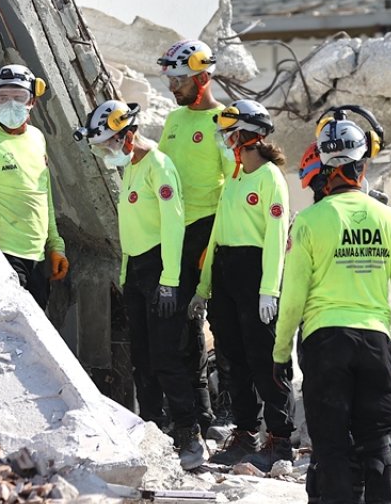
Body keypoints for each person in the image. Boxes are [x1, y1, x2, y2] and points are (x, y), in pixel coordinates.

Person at [273, 115, 391, 504]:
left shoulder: (307, 221)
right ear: (364, 164)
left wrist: (279, 355)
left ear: (323, 166)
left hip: (325, 344)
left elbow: (292, 298)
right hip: (374, 342)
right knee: (376, 445)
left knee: (332, 448)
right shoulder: (390, 219)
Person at [74, 100, 207, 469]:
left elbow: (173, 225)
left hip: (161, 269)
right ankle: (153, 429)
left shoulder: (158, 166)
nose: (105, 154)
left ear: (128, 135)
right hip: (135, 270)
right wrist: (124, 274)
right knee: (142, 359)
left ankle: (188, 432)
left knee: (166, 356)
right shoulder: (131, 168)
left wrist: (169, 281)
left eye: (107, 146)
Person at [187, 99, 294, 469]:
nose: (225, 139)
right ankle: (246, 433)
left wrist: (270, 289)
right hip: (226, 270)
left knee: (266, 359)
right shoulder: (234, 176)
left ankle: (279, 440)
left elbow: (277, 236)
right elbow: (218, 231)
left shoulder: (269, 178)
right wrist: (204, 286)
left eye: (229, 133)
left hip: (255, 271)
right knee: (233, 358)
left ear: (249, 136)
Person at [156, 39, 229, 436]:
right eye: (170, 80)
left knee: (221, 325)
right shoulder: (175, 120)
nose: (173, 88)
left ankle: (235, 419)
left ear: (203, 77)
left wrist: (213, 245)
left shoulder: (222, 122)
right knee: (181, 327)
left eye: (180, 80)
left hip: (208, 230)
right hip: (174, 233)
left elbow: (233, 186)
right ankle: (196, 416)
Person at [0, 65, 68, 309]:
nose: (10, 104)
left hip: (38, 259)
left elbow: (44, 197)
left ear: (33, 100)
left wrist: (55, 245)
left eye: (18, 97)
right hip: (2, 256)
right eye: (2, 97)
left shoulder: (37, 138)